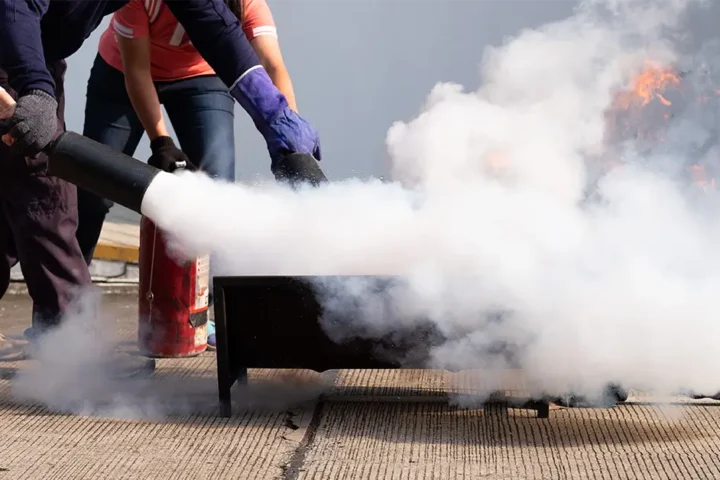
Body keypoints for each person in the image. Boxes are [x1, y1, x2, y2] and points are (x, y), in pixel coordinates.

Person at [0, 0, 322, 346]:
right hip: (16, 53)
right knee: (47, 196)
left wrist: (274, 115)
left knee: (10, 204)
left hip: (31, 55)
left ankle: (59, 339)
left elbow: (215, 26)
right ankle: (70, 345)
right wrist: (35, 86)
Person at [76, 0, 298, 347]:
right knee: (93, 191)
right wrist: (161, 140)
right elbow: (137, 72)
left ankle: (206, 315)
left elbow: (272, 66)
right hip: (121, 75)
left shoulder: (248, 4)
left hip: (201, 78)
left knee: (218, 190)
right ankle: (65, 311)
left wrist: (291, 134)